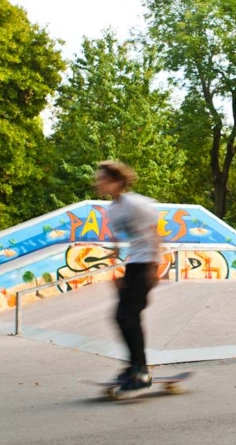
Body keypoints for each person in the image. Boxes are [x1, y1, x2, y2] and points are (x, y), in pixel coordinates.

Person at [95, 160, 161, 397]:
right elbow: (115, 243)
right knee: (121, 317)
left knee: (128, 315)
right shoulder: (112, 209)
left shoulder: (137, 204)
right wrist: (116, 272)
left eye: (102, 178)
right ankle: (135, 365)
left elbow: (155, 233)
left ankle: (141, 371)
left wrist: (155, 268)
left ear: (117, 181)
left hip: (146, 265)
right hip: (132, 265)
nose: (98, 182)